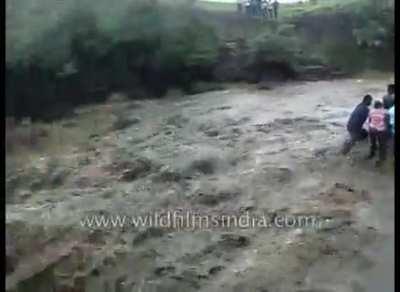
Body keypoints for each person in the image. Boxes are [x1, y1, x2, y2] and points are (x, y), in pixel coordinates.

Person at [367, 100, 390, 166]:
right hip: (381, 130)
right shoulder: (385, 112)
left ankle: (372, 154)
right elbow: (387, 122)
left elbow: (369, 120)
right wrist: (387, 129)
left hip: (372, 129)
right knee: (382, 145)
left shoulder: (371, 111)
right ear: (381, 106)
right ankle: (381, 159)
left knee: (372, 142)